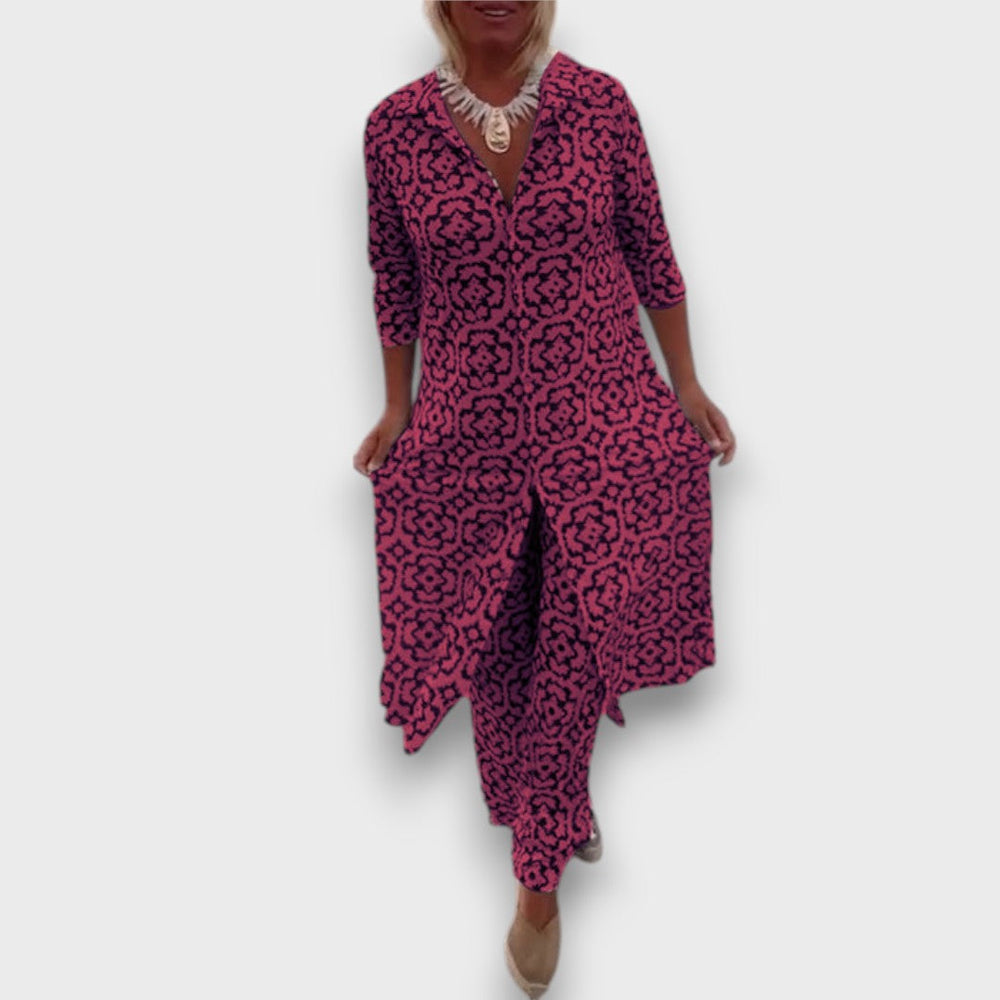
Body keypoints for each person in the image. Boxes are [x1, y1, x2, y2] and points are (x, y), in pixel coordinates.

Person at [354, 2, 736, 995]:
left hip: (602, 421)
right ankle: (553, 804)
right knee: (499, 650)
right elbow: (395, 282)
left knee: (574, 644)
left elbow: (650, 251)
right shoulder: (393, 130)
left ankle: (536, 881)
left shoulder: (600, 107)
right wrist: (396, 408)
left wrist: (686, 385)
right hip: (467, 435)